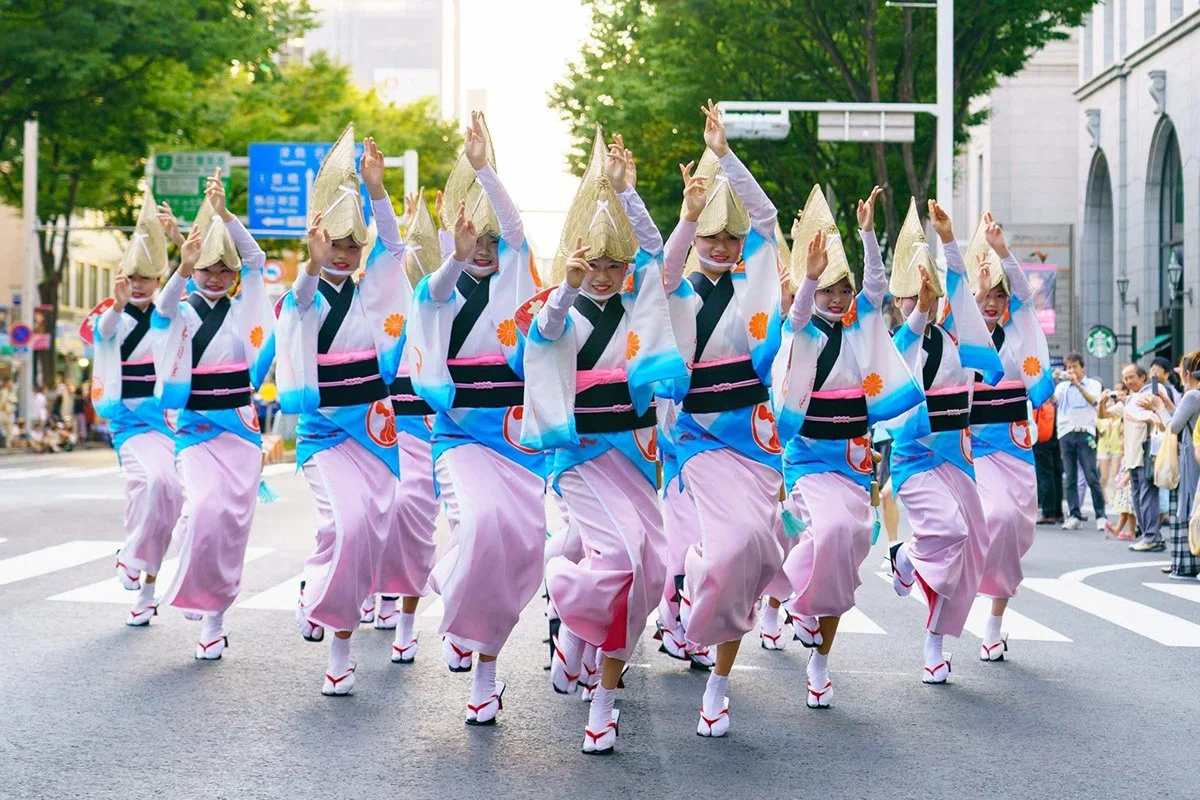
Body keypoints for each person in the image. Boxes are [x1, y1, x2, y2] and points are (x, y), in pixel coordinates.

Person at [523, 128, 685, 754]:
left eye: (616, 265)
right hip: (579, 456)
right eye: (595, 263)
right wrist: (565, 283)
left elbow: (660, 257)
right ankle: (582, 648)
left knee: (646, 566)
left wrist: (630, 193)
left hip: (632, 454)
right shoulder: (557, 304)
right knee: (618, 559)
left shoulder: (642, 304)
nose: (606, 274)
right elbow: (546, 329)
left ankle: (593, 671)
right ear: (577, 259)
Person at [408, 111, 545, 726]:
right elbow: (432, 296)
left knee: (518, 551)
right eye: (475, 242)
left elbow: (515, 228)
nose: (486, 252)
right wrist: (455, 259)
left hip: (518, 442)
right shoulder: (439, 288)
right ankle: (466, 635)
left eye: (491, 244)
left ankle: (486, 673)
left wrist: (486, 168)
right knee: (484, 524)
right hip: (460, 438)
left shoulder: (516, 281)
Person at [655, 101, 785, 738]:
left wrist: (726, 153)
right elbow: (663, 270)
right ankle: (689, 593)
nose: (724, 246)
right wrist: (684, 220)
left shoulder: (750, 287)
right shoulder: (678, 290)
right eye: (712, 237)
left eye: (730, 238)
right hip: (699, 437)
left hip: (754, 442)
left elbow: (767, 218)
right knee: (732, 546)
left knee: (756, 548)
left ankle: (719, 677)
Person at [776, 188, 923, 705]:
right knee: (829, 532)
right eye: (827, 291)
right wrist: (809, 274)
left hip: (852, 461)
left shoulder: (860, 322)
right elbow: (795, 316)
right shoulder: (800, 331)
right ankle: (794, 600)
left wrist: (866, 233)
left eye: (844, 289)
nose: (837, 299)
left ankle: (819, 661)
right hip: (808, 459)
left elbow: (879, 287)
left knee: (848, 548)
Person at [275, 128, 406, 695]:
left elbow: (397, 252)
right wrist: (309, 263)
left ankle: (314, 587)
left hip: (373, 431)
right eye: (336, 244)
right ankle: (340, 650)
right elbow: (301, 300)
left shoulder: (372, 291)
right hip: (325, 430)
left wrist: (378, 192)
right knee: (348, 524)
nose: (345, 253)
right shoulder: (300, 293)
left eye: (354, 245)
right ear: (320, 242)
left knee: (365, 533)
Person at [155, 170, 274, 660]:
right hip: (198, 429)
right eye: (206, 270)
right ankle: (194, 584)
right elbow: (162, 306)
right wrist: (181, 266)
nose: (216, 277)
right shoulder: (180, 310)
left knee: (232, 524)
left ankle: (215, 621)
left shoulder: (246, 310)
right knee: (205, 509)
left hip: (240, 431)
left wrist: (226, 215)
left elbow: (258, 258)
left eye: (224, 271)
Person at [884, 199, 1005, 684]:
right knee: (949, 534)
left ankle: (934, 644)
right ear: (898, 302)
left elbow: (961, 285)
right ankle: (906, 557)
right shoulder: (895, 343)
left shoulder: (958, 333)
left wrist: (950, 240)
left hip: (958, 455)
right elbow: (891, 377)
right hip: (913, 459)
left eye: (929, 294)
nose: (924, 301)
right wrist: (917, 318)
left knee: (967, 551)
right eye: (912, 296)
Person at [85, 189, 185, 625]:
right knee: (152, 482)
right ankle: (132, 554)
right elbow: (103, 332)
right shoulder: (112, 314)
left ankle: (146, 587)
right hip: (130, 422)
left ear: (159, 278)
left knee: (169, 494)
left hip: (167, 421)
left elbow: (202, 283)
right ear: (122, 277)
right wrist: (119, 303)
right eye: (133, 276)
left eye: (148, 277)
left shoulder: (173, 311)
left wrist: (183, 244)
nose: (141, 284)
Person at [966, 213, 1055, 662]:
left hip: (1015, 445)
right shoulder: (963, 335)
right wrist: (975, 286)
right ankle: (951, 584)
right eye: (987, 295)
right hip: (977, 445)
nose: (994, 302)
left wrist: (1003, 250)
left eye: (1000, 296)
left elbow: (1023, 292)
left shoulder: (1021, 330)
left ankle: (995, 622)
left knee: (1017, 528)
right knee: (996, 516)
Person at [369, 189, 442, 665]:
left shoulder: (448, 318)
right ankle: (376, 591)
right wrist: (383, 199)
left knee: (413, 515)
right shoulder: (382, 321)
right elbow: (388, 252)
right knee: (373, 512)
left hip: (432, 435)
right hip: (381, 433)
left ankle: (409, 619)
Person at [1146, 351, 1199, 578]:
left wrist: (1159, 408)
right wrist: (1167, 404)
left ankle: (1186, 564)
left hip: (1190, 459)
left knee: (1187, 509)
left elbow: (1174, 427)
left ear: (1187, 373)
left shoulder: (1193, 396)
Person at [1101, 364, 1162, 551]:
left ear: (1143, 377)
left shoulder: (1148, 397)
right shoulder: (1127, 402)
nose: (1128, 381)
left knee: (1147, 497)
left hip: (1145, 455)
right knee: (1138, 499)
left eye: (1132, 377)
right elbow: (1105, 415)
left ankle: (1152, 537)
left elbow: (1157, 417)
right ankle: (1146, 536)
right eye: (1125, 378)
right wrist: (1103, 400)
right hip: (1131, 458)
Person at [1052, 353, 1107, 530]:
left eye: (1075, 367)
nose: (1071, 371)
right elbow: (1052, 401)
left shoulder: (1093, 384)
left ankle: (1101, 515)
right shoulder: (1062, 387)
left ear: (1082, 367)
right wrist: (1051, 381)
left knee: (1091, 475)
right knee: (1071, 476)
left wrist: (1077, 385)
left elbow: (1094, 401)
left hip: (1086, 431)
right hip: (1066, 432)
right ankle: (1074, 514)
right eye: (1068, 367)